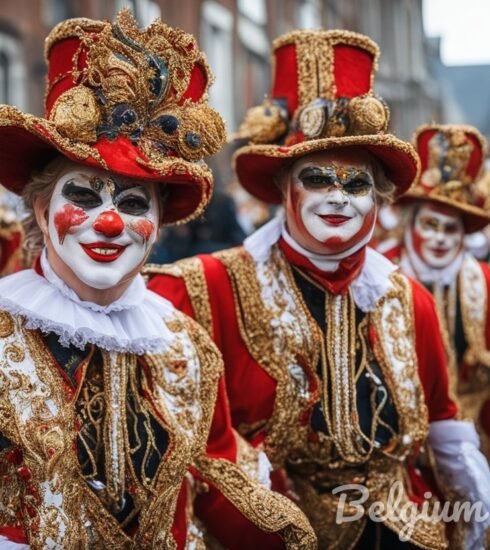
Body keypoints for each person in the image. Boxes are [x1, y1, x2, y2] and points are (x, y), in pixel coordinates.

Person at [146, 30, 490, 549]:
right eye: (317, 178)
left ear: (379, 200)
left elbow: (442, 424)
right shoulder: (203, 289)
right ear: (284, 188)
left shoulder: (407, 298)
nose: (337, 198)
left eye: (355, 185)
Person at [0, 12, 316, 549]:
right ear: (39, 205)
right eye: (82, 196)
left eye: (131, 203)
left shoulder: (184, 347)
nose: (109, 223)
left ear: (158, 227)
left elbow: (218, 484)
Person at [384, 123, 490, 458]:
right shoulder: (381, 277)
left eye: (450, 228)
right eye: (430, 226)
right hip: (400, 440)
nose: (441, 239)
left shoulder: (485, 281)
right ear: (408, 225)